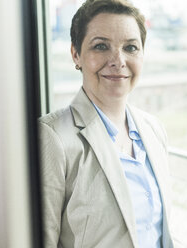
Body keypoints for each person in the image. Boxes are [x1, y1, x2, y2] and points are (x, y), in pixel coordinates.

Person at [39, 0, 177, 247]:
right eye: (101, 46)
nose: (118, 60)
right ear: (76, 54)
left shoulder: (153, 129)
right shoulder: (52, 137)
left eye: (131, 47)